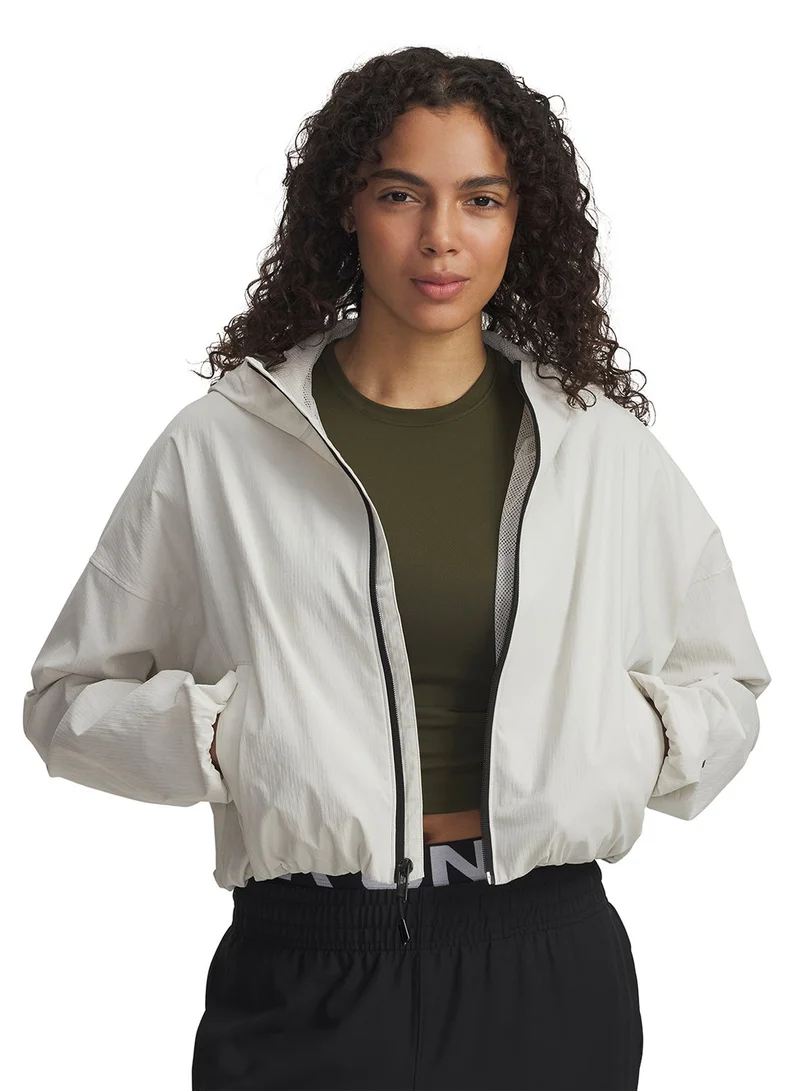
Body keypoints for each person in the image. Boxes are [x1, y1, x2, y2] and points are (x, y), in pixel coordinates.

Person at [22, 46, 772, 1091]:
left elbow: (725, 681)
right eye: (399, 194)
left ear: (521, 221)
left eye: (480, 200)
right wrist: (230, 739)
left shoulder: (594, 446)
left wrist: (621, 743)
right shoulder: (225, 444)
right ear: (346, 208)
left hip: (544, 958)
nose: (440, 237)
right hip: (306, 960)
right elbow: (66, 701)